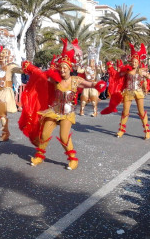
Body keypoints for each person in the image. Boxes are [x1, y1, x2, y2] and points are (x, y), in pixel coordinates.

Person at [19, 38, 106, 170]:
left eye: (65, 68)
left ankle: (72, 159)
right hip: (54, 111)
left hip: (67, 114)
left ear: (70, 68)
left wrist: (99, 84)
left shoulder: (76, 80)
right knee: (44, 135)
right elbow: (40, 74)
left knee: (64, 137)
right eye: (61, 68)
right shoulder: (56, 80)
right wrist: (29, 67)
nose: (62, 70)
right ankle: (39, 156)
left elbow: (91, 84)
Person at [101, 43, 150, 140]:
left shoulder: (141, 71)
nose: (133, 63)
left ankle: (147, 130)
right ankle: (121, 130)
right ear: (130, 62)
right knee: (125, 111)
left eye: (135, 62)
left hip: (138, 92)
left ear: (138, 62)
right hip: (128, 92)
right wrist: (110, 68)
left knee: (141, 111)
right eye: (132, 62)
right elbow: (116, 76)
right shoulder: (127, 70)